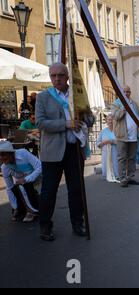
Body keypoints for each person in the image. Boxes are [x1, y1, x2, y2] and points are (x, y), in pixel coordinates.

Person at [36, 62, 95, 242]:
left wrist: (87, 118)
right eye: (53, 75)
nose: (57, 79)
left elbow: (90, 118)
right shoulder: (43, 97)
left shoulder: (77, 94)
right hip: (52, 151)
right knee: (49, 191)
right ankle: (45, 225)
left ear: (67, 76)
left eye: (60, 75)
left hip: (74, 149)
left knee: (76, 189)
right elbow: (41, 123)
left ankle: (78, 223)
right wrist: (66, 124)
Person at [111, 86, 139, 188]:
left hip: (133, 136)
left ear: (130, 92)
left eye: (128, 91)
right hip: (122, 136)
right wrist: (123, 109)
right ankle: (123, 179)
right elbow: (115, 116)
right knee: (122, 158)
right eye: (124, 92)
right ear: (121, 93)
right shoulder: (116, 104)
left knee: (132, 158)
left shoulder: (134, 104)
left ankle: (130, 177)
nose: (126, 93)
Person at [0, 141, 40, 223]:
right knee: (15, 187)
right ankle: (21, 208)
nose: (1, 158)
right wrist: (15, 207)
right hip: (24, 182)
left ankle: (32, 211)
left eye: (3, 154)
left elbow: (40, 167)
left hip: (38, 178)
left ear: (11, 153)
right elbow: (9, 187)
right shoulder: (4, 167)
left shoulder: (23, 153)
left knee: (22, 185)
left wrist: (27, 178)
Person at [97, 114, 119, 182]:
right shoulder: (103, 132)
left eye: (112, 119)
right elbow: (98, 143)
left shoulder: (117, 131)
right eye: (109, 120)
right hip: (106, 152)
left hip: (115, 152)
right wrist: (103, 143)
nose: (110, 121)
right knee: (106, 170)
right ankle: (106, 174)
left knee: (116, 167)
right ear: (106, 121)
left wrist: (111, 141)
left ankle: (116, 175)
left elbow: (121, 142)